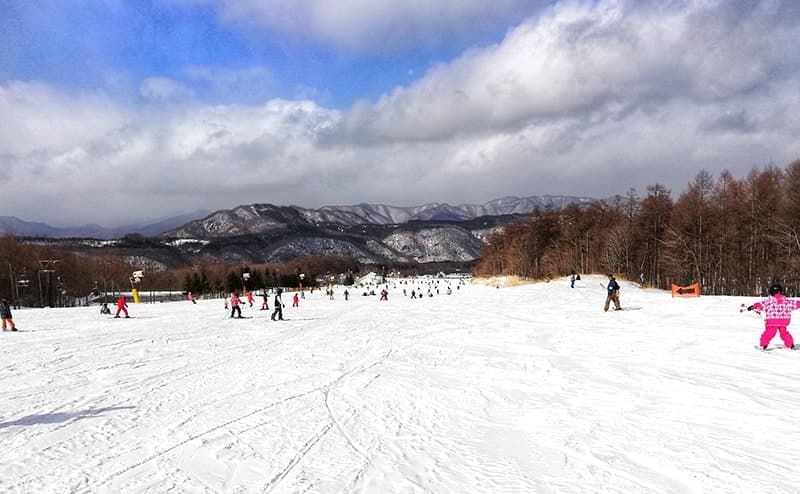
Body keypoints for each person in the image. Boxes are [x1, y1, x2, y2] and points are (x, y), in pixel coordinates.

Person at [746, 283, 798, 350]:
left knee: (769, 333)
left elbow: (761, 304)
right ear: (780, 291)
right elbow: (795, 304)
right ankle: (790, 345)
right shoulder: (786, 301)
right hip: (783, 321)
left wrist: (754, 306)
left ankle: (763, 345)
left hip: (772, 321)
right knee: (784, 333)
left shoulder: (769, 301)